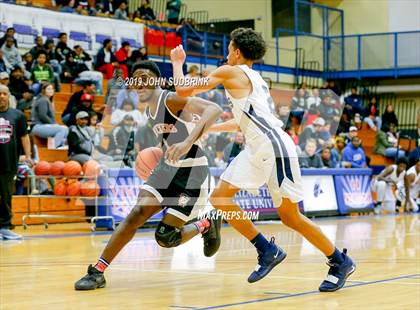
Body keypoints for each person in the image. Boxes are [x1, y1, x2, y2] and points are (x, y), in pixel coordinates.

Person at [170, 28, 355, 291]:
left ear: (235, 51)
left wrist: (177, 62)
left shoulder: (230, 71)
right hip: (257, 147)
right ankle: (267, 250)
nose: (226, 53)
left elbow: (182, 89)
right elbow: (243, 123)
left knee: (291, 217)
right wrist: (209, 128)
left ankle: (340, 261)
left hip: (273, 147)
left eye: (229, 48)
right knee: (220, 198)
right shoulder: (255, 78)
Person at [74, 61, 223, 290]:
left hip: (192, 174)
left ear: (156, 81)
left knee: (165, 237)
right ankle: (98, 271)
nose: (139, 82)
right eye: (135, 78)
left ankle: (206, 223)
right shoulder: (148, 110)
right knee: (136, 213)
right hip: (166, 169)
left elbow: (214, 109)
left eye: (144, 77)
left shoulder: (170, 99)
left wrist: (186, 143)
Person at [0, 84, 31, 239]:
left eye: (5, 93)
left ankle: (5, 227)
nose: (2, 96)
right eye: (0, 94)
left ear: (9, 96)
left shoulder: (17, 115)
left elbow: (24, 137)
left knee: (6, 195)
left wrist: (29, 155)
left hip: (8, 163)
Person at [31, 83, 68, 148]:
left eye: (52, 89)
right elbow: (43, 116)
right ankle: (53, 148)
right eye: (48, 89)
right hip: (38, 126)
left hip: (44, 126)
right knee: (61, 129)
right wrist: (54, 124)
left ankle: (60, 146)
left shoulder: (47, 100)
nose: (51, 90)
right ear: (43, 90)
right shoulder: (43, 100)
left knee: (66, 129)